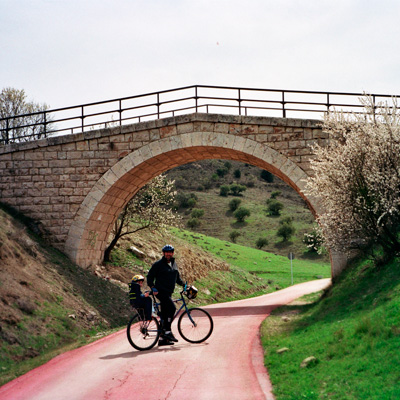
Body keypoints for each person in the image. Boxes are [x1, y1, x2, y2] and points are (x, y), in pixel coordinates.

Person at [147, 244, 184, 346]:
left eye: (170, 252)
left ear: (172, 253)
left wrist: (184, 284)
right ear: (163, 253)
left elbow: (177, 278)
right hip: (160, 291)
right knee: (172, 308)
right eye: (166, 252)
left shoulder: (174, 264)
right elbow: (150, 277)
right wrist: (152, 287)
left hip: (169, 292)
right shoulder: (158, 264)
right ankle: (168, 331)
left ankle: (163, 339)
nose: (168, 254)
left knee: (165, 313)